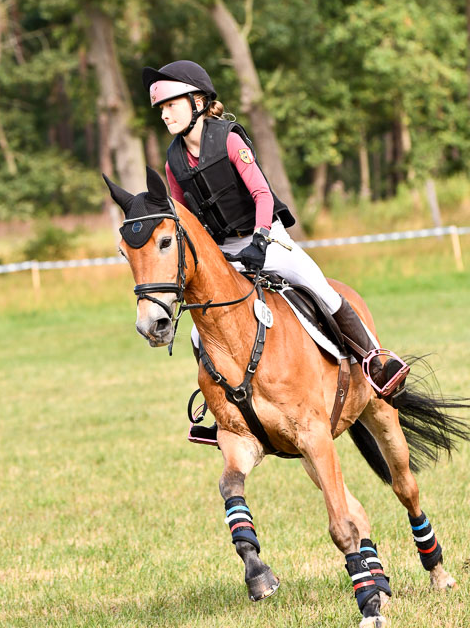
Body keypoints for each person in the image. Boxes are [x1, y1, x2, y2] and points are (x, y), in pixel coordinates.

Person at [142, 60, 406, 443]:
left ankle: (377, 363)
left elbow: (262, 194)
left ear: (198, 101)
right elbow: (184, 219)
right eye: (161, 109)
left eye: (172, 105)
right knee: (202, 332)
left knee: (320, 288)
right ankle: (221, 412)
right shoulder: (173, 161)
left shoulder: (229, 139)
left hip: (266, 234)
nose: (165, 114)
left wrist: (261, 239)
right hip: (221, 250)